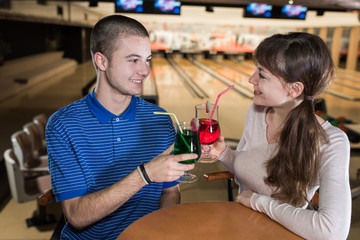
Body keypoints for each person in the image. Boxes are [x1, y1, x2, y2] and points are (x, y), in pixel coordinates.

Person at [45, 14, 196, 239]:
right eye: (133, 60)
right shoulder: (63, 125)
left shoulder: (161, 119)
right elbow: (76, 215)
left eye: (147, 59)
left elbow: (170, 191)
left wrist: (160, 233)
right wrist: (145, 174)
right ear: (102, 61)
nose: (145, 71)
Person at [211, 32, 351, 240]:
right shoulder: (257, 112)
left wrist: (258, 202)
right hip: (241, 227)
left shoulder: (331, 142)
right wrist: (223, 154)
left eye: (262, 74)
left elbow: (332, 232)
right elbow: (250, 170)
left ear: (294, 89)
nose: (251, 79)